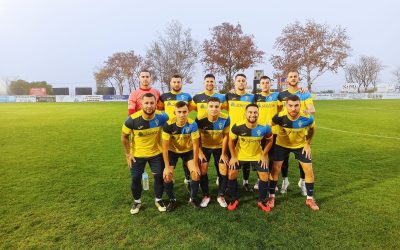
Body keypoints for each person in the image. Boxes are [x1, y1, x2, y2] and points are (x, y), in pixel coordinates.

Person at [267, 95, 319, 211]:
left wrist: (307, 144)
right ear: (286, 105)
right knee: (276, 168)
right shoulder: (280, 116)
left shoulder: (307, 117)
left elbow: (313, 128)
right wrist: (268, 139)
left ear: (300, 105)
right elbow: (268, 126)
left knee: (309, 170)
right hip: (282, 145)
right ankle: (271, 197)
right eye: (290, 105)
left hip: (300, 146)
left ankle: (310, 199)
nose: (293, 108)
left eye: (296, 105)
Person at [121, 93, 169, 214]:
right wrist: (128, 154)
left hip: (156, 153)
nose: (149, 106)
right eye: (146, 103)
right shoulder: (132, 120)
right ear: (141, 104)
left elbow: (171, 128)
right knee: (135, 178)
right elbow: (124, 137)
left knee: (158, 177)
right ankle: (137, 201)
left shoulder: (162, 117)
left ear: (156, 104)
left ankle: (158, 199)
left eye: (152, 103)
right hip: (137, 155)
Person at [228, 104, 273, 211]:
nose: (253, 115)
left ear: (258, 114)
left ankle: (262, 200)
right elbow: (231, 141)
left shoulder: (265, 127)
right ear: (245, 114)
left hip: (257, 155)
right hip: (240, 155)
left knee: (264, 175)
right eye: (250, 112)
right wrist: (233, 156)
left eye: (255, 112)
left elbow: (270, 140)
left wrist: (263, 155)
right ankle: (233, 199)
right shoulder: (237, 126)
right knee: (231, 173)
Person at [277, 70, 316, 195]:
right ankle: (285, 181)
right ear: (287, 79)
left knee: (302, 161)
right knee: (284, 159)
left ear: (298, 78)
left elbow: (312, 109)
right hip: (286, 132)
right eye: (290, 77)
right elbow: (277, 110)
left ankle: (303, 182)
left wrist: (306, 112)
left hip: (301, 131)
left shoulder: (304, 93)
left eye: (295, 76)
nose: (293, 78)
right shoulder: (281, 95)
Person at [162, 101, 201, 211]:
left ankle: (192, 199)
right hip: (172, 151)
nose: (182, 114)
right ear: (175, 112)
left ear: (188, 112)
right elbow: (164, 147)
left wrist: (196, 164)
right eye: (179, 112)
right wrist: (166, 166)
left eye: (184, 112)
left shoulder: (192, 124)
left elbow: (195, 145)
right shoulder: (168, 125)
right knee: (167, 176)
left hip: (188, 151)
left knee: (196, 174)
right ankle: (172, 200)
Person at [158, 74, 193, 190]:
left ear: (181, 83)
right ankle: (168, 176)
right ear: (170, 83)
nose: (176, 84)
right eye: (174, 82)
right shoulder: (164, 96)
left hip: (184, 131)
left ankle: (188, 178)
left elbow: (190, 109)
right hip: (169, 131)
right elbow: (159, 109)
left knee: (186, 156)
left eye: (178, 82)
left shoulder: (187, 96)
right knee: (168, 154)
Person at [191, 73, 227, 185]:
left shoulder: (221, 97)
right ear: (204, 83)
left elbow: (229, 109)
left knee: (221, 164)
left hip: (218, 131)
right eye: (208, 81)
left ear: (214, 83)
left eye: (212, 81)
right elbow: (188, 111)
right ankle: (190, 178)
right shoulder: (197, 97)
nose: (210, 83)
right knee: (202, 164)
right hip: (203, 131)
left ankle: (219, 177)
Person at [196, 97, 230, 208]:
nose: (214, 109)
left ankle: (221, 195)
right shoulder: (200, 118)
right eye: (211, 106)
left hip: (220, 147)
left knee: (224, 169)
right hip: (205, 147)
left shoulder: (225, 118)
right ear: (207, 107)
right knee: (202, 168)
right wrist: (200, 152)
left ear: (220, 107)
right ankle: (206, 195)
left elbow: (226, 136)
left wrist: (224, 153)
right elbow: (197, 137)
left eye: (217, 106)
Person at [225, 74, 255, 192]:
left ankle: (245, 182)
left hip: (246, 132)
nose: (241, 82)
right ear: (235, 83)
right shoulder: (229, 95)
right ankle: (230, 182)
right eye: (238, 81)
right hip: (232, 132)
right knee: (230, 157)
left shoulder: (251, 97)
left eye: (243, 80)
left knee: (246, 158)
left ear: (246, 83)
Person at [253, 76, 279, 191]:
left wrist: (302, 89)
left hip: (274, 132)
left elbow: (291, 97)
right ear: (260, 85)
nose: (265, 85)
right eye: (262, 83)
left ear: (270, 84)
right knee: (260, 157)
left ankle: (272, 180)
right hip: (259, 132)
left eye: (267, 83)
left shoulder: (276, 96)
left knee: (273, 158)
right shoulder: (256, 97)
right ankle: (260, 179)